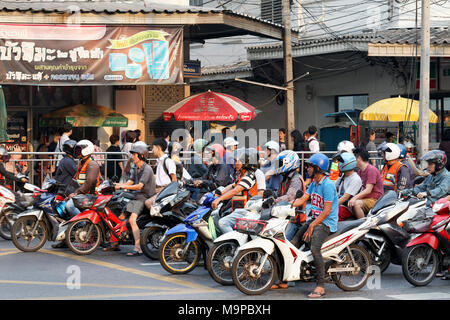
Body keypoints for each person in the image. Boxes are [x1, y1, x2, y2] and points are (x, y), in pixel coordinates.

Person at [291, 153, 339, 298]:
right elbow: (303, 199)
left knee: (314, 248)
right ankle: (286, 278)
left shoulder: (328, 185)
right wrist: (286, 206)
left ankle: (320, 285)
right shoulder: (314, 183)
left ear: (317, 168)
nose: (307, 169)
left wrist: (312, 225)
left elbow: (327, 211)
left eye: (310, 166)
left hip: (326, 223)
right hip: (315, 220)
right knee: (294, 242)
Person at [53, 140, 101, 249]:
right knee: (61, 207)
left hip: (90, 196)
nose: (77, 152)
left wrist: (75, 194)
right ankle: (66, 239)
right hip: (82, 195)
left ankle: (85, 231)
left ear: (86, 150)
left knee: (70, 206)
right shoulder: (81, 163)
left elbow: (88, 183)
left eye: (79, 150)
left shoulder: (92, 164)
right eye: (77, 150)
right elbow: (76, 181)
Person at [110, 143, 156, 256]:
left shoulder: (147, 169)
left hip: (143, 197)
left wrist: (123, 186)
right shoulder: (135, 167)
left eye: (134, 155)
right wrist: (119, 185)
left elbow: (139, 186)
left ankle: (138, 247)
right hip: (135, 196)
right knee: (120, 217)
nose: (132, 157)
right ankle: (114, 243)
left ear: (141, 156)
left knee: (131, 220)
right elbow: (130, 181)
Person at [213, 148, 266, 233]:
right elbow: (233, 185)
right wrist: (220, 193)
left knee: (223, 222)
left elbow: (236, 190)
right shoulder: (241, 175)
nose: (236, 164)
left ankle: (234, 242)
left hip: (247, 210)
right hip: (238, 208)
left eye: (239, 161)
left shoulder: (252, 175)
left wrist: (220, 198)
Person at [348, 147, 384, 219]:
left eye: (354, 158)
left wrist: (354, 198)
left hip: (374, 200)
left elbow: (368, 190)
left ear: (359, 158)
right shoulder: (360, 171)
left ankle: (363, 225)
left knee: (356, 204)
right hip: (366, 199)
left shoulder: (371, 170)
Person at [144, 138, 177, 210]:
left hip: (164, 191)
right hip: (156, 189)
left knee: (148, 203)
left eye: (154, 148)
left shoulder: (168, 162)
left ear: (159, 148)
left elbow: (174, 180)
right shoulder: (158, 161)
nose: (152, 150)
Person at [334, 152, 362, 221]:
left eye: (340, 162)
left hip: (348, 208)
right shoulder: (343, 176)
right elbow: (333, 187)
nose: (338, 164)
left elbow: (345, 197)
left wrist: (330, 207)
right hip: (340, 204)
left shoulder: (355, 179)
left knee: (333, 214)